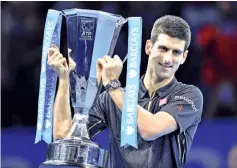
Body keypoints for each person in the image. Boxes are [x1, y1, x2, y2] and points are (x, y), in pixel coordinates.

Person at [48, 15, 203, 168]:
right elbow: (64, 137)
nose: (168, 58)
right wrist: (64, 79)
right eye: (163, 48)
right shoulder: (111, 98)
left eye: (176, 52)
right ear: (148, 47)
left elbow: (151, 129)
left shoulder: (189, 96)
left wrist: (112, 85)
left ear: (184, 57)